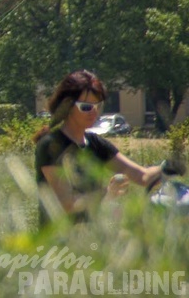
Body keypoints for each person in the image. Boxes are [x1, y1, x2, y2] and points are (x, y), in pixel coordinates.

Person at [34, 70, 164, 227]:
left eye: (98, 106)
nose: (94, 112)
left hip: (91, 240)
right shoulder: (51, 145)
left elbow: (142, 176)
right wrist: (107, 193)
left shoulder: (95, 144)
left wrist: (169, 168)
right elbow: (67, 204)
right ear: (67, 106)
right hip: (59, 244)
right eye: (86, 107)